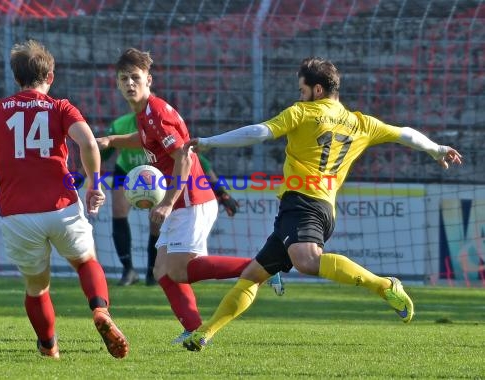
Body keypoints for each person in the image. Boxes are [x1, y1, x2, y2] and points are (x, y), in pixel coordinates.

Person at [181, 56, 463, 351]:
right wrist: (436, 148)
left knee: (308, 261)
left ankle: (384, 285)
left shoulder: (303, 112)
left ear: (317, 90)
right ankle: (204, 334)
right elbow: (404, 133)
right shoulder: (360, 122)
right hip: (319, 208)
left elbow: (260, 132)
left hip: (304, 204)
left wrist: (210, 141)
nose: (299, 95)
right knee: (252, 276)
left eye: (302, 89)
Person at [0, 39, 129, 359]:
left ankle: (48, 346)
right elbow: (88, 142)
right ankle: (100, 311)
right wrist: (93, 183)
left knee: (37, 286)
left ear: (17, 78)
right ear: (50, 76)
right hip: (61, 206)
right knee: (86, 261)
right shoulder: (61, 107)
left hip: (18, 214)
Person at [97, 47, 283, 344]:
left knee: (181, 270)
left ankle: (264, 266)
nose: (129, 83)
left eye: (135, 77)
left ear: (149, 79)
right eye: (124, 79)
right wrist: (112, 140)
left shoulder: (155, 112)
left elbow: (183, 155)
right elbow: (145, 139)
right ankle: (193, 326)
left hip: (190, 199)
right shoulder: (145, 114)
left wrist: (168, 203)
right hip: (182, 200)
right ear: (118, 84)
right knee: (162, 270)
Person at [99, 111, 241, 286]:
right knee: (118, 210)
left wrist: (221, 192)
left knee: (158, 229)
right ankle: (128, 270)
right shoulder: (121, 124)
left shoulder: (162, 129)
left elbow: (197, 160)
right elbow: (100, 153)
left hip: (158, 181)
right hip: (127, 173)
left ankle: (152, 273)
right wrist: (84, 177)